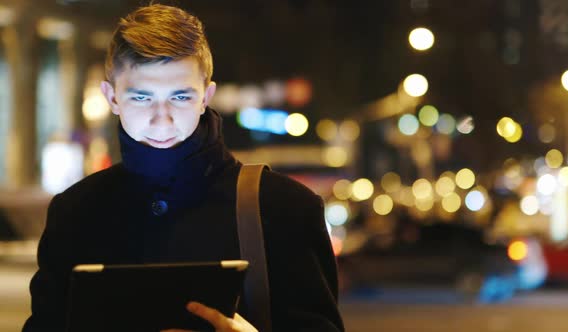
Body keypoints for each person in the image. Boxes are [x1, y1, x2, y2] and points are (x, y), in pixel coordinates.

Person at [22, 3, 344, 332]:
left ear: (206, 96)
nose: (162, 118)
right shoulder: (74, 212)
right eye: (142, 98)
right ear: (112, 97)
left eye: (179, 97)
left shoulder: (285, 209)